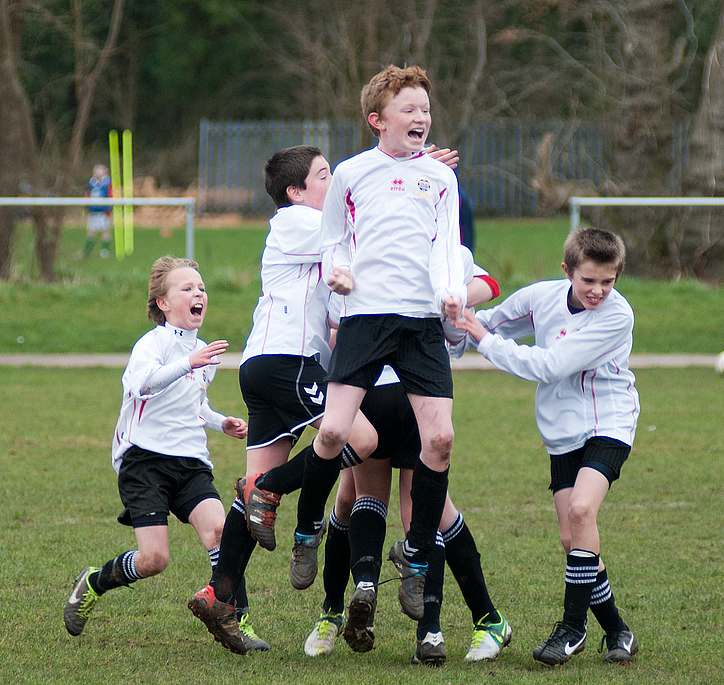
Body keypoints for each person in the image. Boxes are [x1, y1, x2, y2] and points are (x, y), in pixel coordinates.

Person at [187, 145, 380, 655]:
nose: (333, 180)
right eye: (324, 174)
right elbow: (358, 238)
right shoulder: (295, 221)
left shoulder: (313, 235)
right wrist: (401, 177)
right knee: (361, 437)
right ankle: (274, 490)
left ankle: (220, 594)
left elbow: (342, 292)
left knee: (249, 491)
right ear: (296, 192)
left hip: (266, 366)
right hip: (287, 363)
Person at [303, 64, 466, 627]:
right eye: (409, 110)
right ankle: (306, 530)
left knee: (440, 440)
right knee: (331, 431)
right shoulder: (351, 174)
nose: (421, 118)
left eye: (425, 109)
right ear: (378, 120)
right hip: (367, 320)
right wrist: (339, 273)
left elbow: (449, 242)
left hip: (421, 326)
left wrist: (451, 292)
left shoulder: (441, 179)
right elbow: (331, 240)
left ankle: (417, 561)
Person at [303, 252, 511, 666]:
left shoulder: (436, 246)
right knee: (354, 498)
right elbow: (327, 313)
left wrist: (453, 301)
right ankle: (338, 609)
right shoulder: (354, 244)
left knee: (422, 511)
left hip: (418, 394)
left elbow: (488, 283)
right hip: (366, 393)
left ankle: (437, 629)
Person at [454, 226, 640, 666]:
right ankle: (617, 630)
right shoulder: (541, 296)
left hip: (608, 422)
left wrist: (482, 339)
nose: (598, 291)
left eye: (608, 282)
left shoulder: (617, 316)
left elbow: (550, 366)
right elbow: (490, 320)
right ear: (567, 271)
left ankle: (571, 630)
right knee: (571, 537)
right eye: (588, 280)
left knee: (581, 512)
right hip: (561, 431)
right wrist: (449, 329)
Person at [64, 256, 269, 651]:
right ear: (163, 303)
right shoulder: (153, 344)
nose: (198, 294)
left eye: (202, 288)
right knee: (154, 560)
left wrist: (219, 421)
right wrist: (186, 362)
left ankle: (236, 621)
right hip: (144, 462)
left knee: (221, 534)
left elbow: (191, 402)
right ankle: (94, 581)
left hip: (190, 461)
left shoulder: (203, 353)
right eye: (187, 288)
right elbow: (144, 386)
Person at [79, 164, 113, 258]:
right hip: (93, 211)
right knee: (91, 231)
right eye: (96, 170)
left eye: (100, 170)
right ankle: (86, 251)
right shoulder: (91, 183)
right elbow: (88, 194)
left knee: (105, 230)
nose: (97, 172)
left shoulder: (107, 182)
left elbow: (111, 194)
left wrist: (110, 208)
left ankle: (105, 251)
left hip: (104, 211)